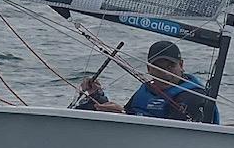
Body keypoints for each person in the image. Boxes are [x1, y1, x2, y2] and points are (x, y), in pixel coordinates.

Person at [75, 41, 220, 124]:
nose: (165, 72)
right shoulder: (145, 91)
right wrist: (96, 96)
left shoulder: (193, 95)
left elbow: (174, 132)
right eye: (158, 67)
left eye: (171, 66)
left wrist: (124, 114)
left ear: (181, 65)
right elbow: (127, 113)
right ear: (148, 68)